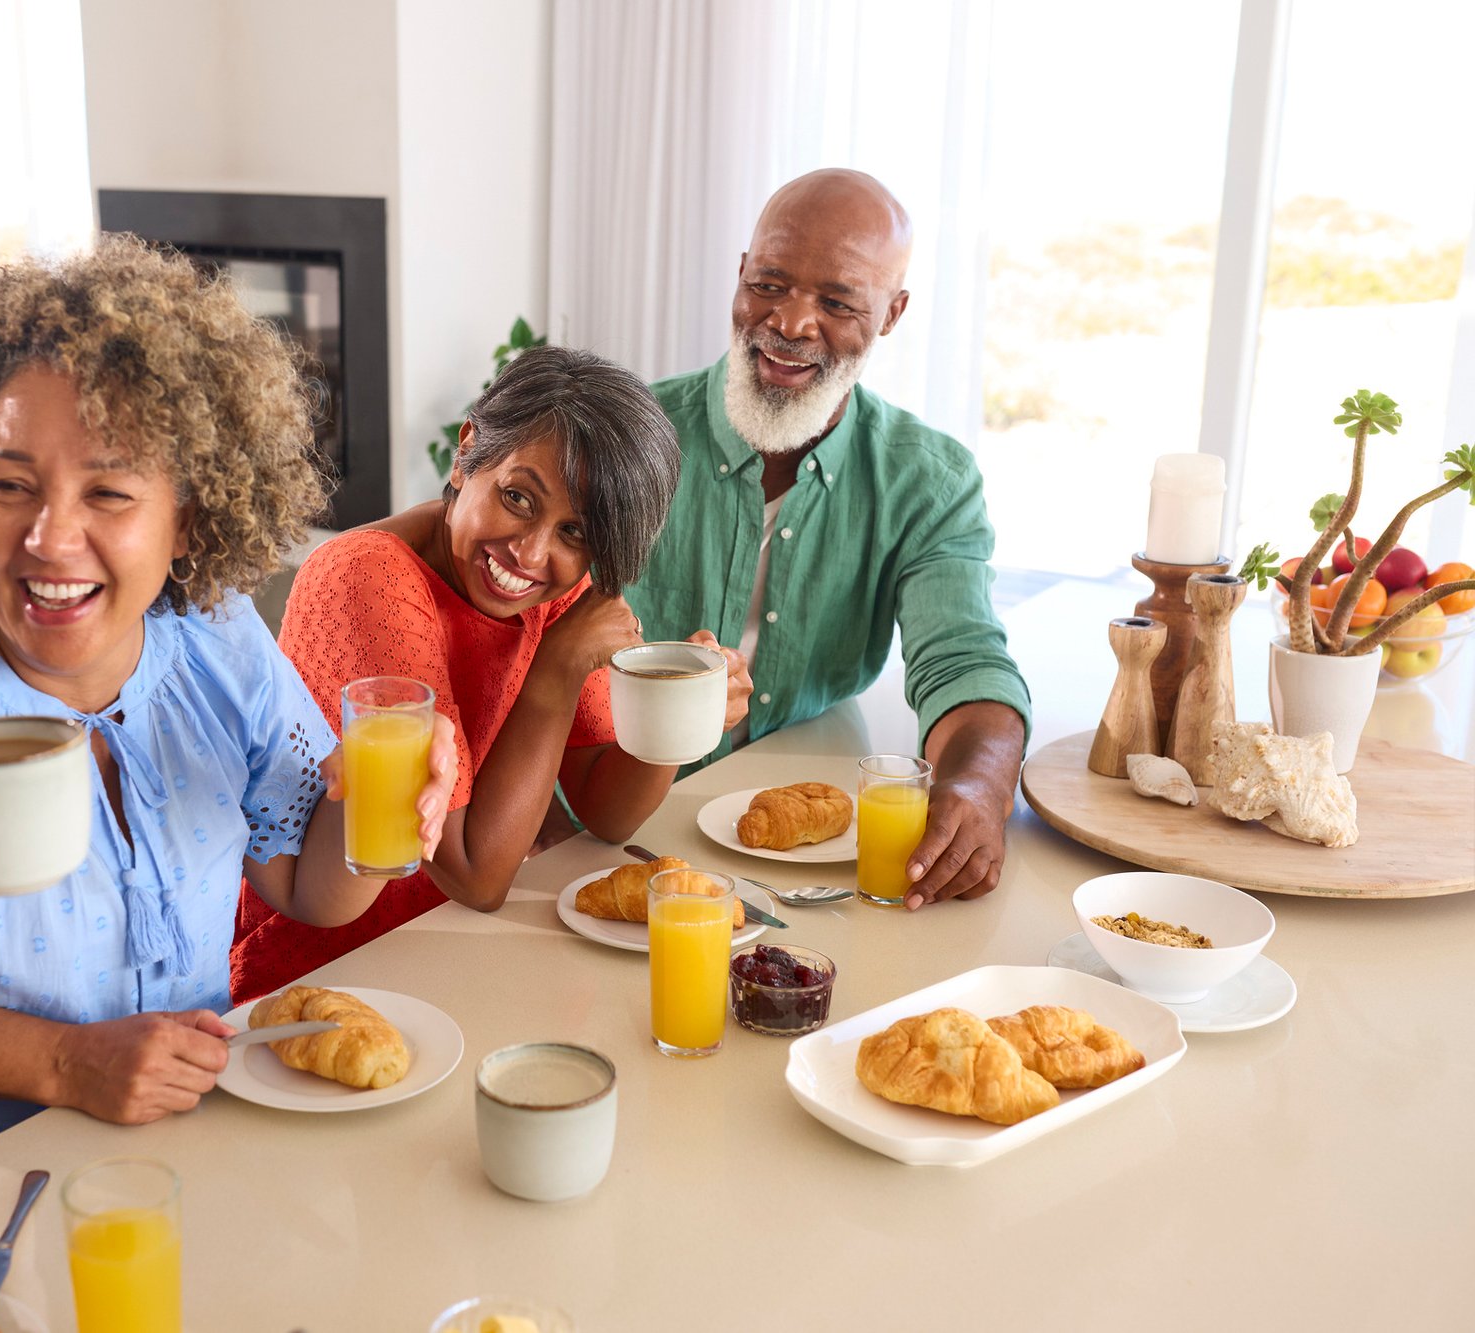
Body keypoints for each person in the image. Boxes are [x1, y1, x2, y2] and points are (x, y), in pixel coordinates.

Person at [0, 237, 455, 1213]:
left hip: (156, 1150)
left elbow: (307, 888)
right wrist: (65, 1062)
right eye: (8, 483)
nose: (47, 536)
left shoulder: (215, 640)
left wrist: (385, 822)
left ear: (188, 519)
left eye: (108, 492)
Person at [233, 345, 751, 1000]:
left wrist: (683, 711)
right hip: (332, 971)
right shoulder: (368, 576)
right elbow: (473, 873)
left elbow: (605, 808)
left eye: (575, 532)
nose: (530, 553)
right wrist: (557, 669)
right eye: (517, 497)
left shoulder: (550, 586)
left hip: (465, 954)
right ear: (467, 449)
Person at [627, 168, 1031, 910]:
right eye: (771, 284)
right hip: (613, 828)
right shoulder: (629, 438)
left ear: (892, 313)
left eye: (838, 301)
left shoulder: (928, 479)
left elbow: (965, 661)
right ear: (741, 273)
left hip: (800, 856)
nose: (791, 323)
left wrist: (977, 787)